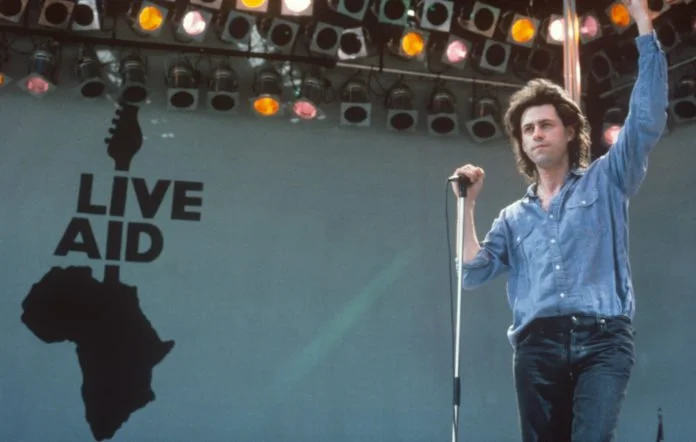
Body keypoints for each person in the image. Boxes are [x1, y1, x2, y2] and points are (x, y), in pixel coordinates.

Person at [449, 0, 668, 440]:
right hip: (537, 346)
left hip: (603, 338)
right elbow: (471, 273)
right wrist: (468, 205)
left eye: (546, 125)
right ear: (522, 144)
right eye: (528, 129)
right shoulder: (514, 217)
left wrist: (644, 24)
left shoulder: (606, 179)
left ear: (569, 132)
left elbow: (645, 120)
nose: (536, 134)